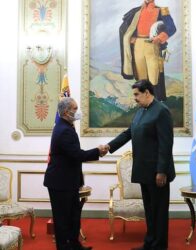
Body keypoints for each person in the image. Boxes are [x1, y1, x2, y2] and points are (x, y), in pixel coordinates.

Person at [107, 79, 175, 250]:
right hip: (144, 171)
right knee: (150, 211)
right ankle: (150, 243)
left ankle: (159, 246)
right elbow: (128, 133)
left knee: (159, 212)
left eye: (137, 94)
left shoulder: (161, 111)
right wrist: (109, 146)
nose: (135, 98)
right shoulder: (140, 112)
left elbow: (166, 144)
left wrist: (161, 171)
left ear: (147, 93)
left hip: (157, 173)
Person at [44, 97, 108, 250]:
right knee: (62, 220)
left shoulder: (65, 125)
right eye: (74, 108)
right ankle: (65, 247)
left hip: (68, 181)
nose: (77, 111)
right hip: (60, 183)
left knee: (73, 217)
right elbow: (77, 155)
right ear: (66, 112)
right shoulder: (63, 130)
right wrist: (98, 151)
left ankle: (74, 245)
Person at [119, 0, 176, 101]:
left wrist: (159, 38)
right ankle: (143, 105)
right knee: (141, 80)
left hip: (153, 46)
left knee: (154, 78)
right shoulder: (135, 12)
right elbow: (124, 28)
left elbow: (172, 28)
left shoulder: (162, 10)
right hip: (138, 46)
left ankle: (155, 104)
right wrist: (131, 37)